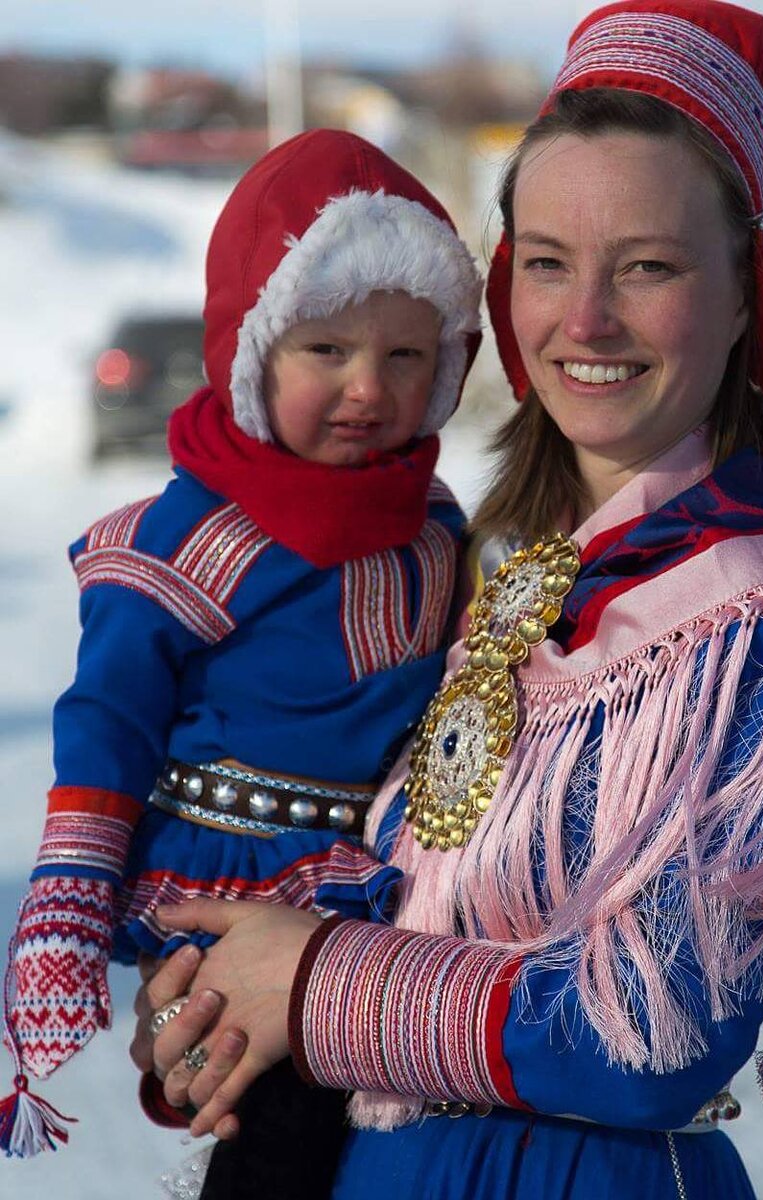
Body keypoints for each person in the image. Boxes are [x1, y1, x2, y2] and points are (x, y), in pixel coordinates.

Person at [130, 4, 763, 1198]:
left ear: (746, 294)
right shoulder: (525, 572)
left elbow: (655, 1032)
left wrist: (318, 986)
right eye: (546, 262)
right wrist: (229, 1002)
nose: (584, 321)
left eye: (646, 266)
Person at [2, 127, 483, 1181]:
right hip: (228, 877)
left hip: (380, 889)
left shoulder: (436, 527)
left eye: (406, 356)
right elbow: (109, 717)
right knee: (264, 1123)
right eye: (328, 352)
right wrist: (70, 892)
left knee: (387, 1127)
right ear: (251, 352)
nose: (369, 388)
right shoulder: (195, 536)